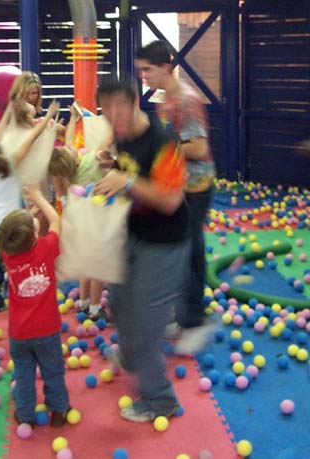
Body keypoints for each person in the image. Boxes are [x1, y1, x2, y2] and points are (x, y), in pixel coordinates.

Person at [94, 77, 190, 422]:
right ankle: (132, 357)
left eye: (120, 106)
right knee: (118, 300)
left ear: (136, 102)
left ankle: (160, 399)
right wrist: (113, 169)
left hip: (165, 242)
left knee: (144, 323)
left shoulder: (163, 140)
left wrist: (128, 182)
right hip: (133, 234)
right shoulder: (121, 135)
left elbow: (169, 201)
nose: (114, 116)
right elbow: (129, 174)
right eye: (106, 110)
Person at [135, 40, 217, 355]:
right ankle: (187, 315)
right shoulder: (165, 101)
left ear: (166, 67)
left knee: (187, 253)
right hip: (178, 189)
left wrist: (161, 151)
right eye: (141, 70)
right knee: (181, 251)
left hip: (196, 189)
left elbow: (197, 148)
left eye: (148, 70)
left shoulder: (185, 100)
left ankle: (195, 322)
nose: (144, 76)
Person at [0, 118, 54, 346]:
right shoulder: (10, 165)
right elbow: (29, 139)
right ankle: (25, 321)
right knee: (20, 277)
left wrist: (7, 113)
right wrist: (46, 120)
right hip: (13, 231)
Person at [0, 184, 70, 427]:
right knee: (53, 371)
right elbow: (56, 220)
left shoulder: (7, 254)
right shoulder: (46, 248)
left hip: (19, 333)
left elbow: (16, 231)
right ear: (35, 236)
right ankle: (59, 411)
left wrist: (31, 211)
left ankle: (25, 414)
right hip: (47, 330)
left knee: (24, 375)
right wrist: (39, 196)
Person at [49, 103, 107, 321]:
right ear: (73, 157)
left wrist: (74, 118)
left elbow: (71, 141)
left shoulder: (68, 176)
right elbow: (106, 143)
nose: (71, 145)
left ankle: (82, 302)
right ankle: (94, 307)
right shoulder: (90, 162)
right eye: (69, 148)